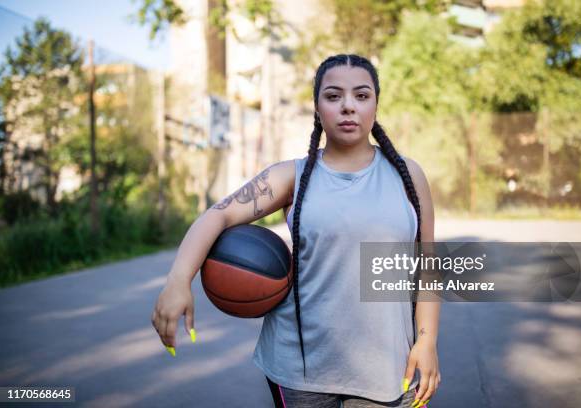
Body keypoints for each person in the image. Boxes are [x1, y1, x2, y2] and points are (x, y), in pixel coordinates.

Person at [151, 54, 440, 408]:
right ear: (317, 108)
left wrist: (426, 342)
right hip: (300, 367)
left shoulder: (408, 175)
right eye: (333, 96)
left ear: (375, 104)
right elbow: (217, 216)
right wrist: (179, 280)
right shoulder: (293, 176)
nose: (348, 106)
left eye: (361, 96)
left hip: (389, 366)